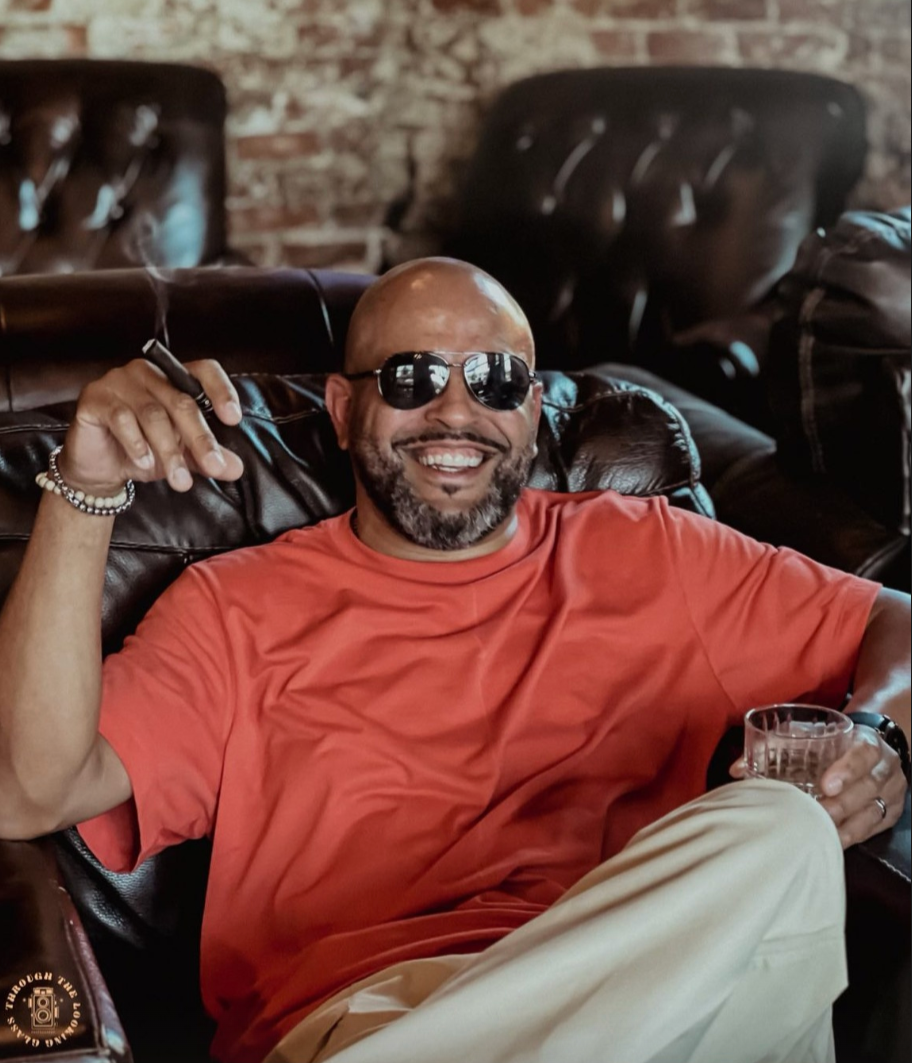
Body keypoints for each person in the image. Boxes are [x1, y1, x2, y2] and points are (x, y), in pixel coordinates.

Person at [0, 258, 908, 1063]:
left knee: (780, 831)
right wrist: (85, 490)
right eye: (414, 375)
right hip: (370, 1018)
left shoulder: (651, 549)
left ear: (533, 408)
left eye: (497, 379)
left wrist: (878, 735)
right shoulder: (235, 606)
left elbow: (896, 620)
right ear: (346, 407)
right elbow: (28, 791)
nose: (458, 411)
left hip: (641, 989)